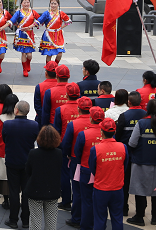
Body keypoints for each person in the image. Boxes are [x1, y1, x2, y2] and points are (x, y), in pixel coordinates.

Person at [127, 99, 156, 226]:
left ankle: (139, 217)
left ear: (148, 109)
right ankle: (155, 217)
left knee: (140, 190)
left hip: (141, 162)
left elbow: (132, 143)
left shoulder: (141, 123)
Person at [0, 99, 39, 229]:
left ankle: (13, 219)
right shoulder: (34, 125)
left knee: (14, 191)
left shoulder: (8, 125)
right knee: (26, 192)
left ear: (16, 110)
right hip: (27, 162)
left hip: (12, 161)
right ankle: (26, 221)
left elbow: (5, 139)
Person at [89, 119, 128, 230]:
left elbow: (93, 168)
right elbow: (124, 166)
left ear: (101, 132)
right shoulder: (123, 147)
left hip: (101, 189)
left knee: (99, 218)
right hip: (117, 188)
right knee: (117, 218)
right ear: (114, 132)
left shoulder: (95, 149)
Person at [61, 97, 93, 227]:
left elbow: (66, 143)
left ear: (78, 109)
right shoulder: (100, 125)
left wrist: (68, 155)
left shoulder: (73, 124)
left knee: (78, 191)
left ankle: (76, 218)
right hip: (96, 163)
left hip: (77, 161)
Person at [74, 107, 106, 230]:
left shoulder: (84, 134)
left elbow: (78, 152)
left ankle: (86, 225)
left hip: (86, 170)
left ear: (91, 118)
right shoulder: (108, 132)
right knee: (100, 201)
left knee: (86, 200)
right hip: (103, 171)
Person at [25, 125, 63, 230]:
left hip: (35, 190)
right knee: (51, 223)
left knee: (35, 222)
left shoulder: (33, 153)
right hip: (52, 191)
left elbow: (28, 171)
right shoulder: (59, 153)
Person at [115, 91, 146, 216]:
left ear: (129, 102)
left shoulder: (124, 116)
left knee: (125, 183)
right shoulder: (145, 115)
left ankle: (124, 209)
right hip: (141, 154)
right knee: (140, 183)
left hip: (126, 154)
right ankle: (141, 211)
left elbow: (117, 136)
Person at [7, 0, 40, 77]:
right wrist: (16, 25)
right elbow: (13, 20)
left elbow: (39, 20)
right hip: (22, 35)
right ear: (21, 3)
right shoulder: (18, 12)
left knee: (29, 54)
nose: (26, 4)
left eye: (27, 2)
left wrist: (34, 25)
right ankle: (24, 69)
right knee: (23, 53)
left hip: (29, 35)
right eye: (24, 2)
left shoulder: (33, 12)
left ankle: (28, 63)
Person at [36, 0, 71, 64]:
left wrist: (60, 28)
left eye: (55, 3)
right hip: (48, 35)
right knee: (49, 54)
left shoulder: (61, 13)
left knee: (59, 53)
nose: (53, 5)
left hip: (58, 35)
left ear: (58, 4)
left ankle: (55, 66)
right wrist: (30, 26)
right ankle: (49, 68)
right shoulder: (46, 13)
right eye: (52, 3)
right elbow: (39, 21)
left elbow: (68, 22)